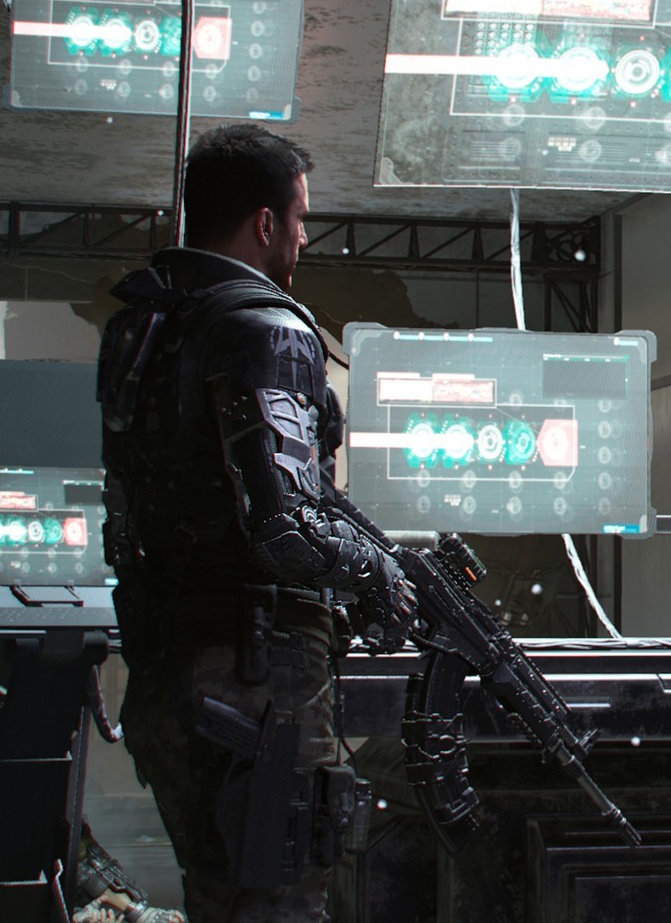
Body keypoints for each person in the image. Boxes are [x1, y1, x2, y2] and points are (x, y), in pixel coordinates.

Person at [97, 124, 417, 922]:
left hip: (168, 666)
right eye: (300, 219)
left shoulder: (146, 326)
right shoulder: (266, 327)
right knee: (275, 903)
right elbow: (286, 530)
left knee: (221, 899)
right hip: (254, 678)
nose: (303, 239)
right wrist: (378, 571)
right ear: (266, 222)